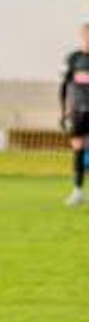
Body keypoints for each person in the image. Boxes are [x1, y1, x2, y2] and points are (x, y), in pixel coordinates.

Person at [60, 22, 89, 207]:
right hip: (78, 112)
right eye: (86, 36)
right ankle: (78, 191)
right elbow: (64, 87)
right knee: (78, 149)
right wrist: (64, 110)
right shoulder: (74, 59)